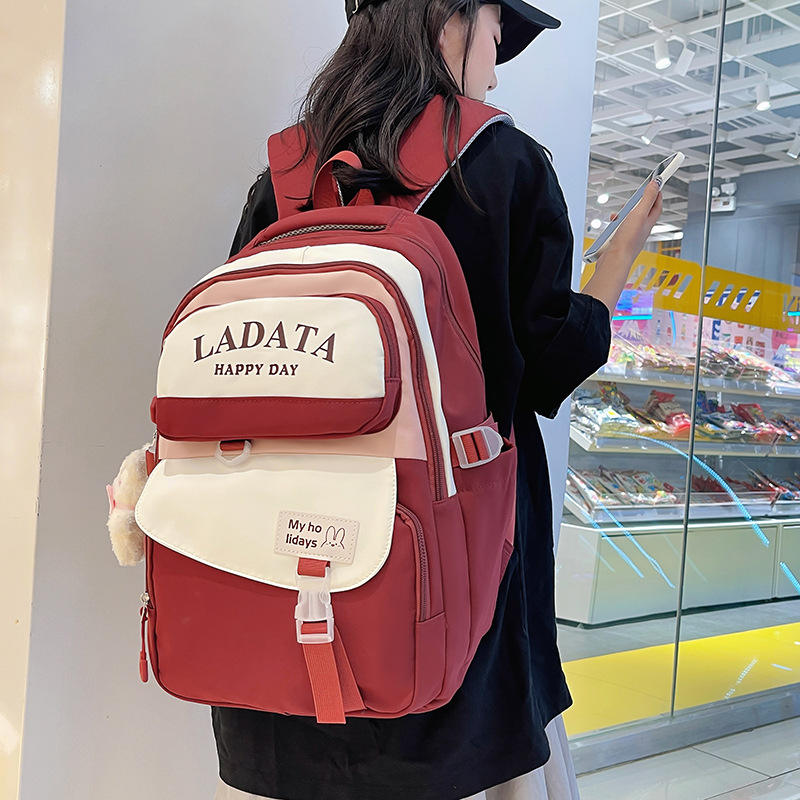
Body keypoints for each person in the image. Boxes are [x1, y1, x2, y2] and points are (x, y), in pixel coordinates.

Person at [213, 1, 662, 798]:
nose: (496, 65)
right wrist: (616, 263)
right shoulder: (505, 166)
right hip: (455, 590)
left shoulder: (284, 180)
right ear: (452, 16)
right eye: (496, 31)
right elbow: (549, 365)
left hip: (289, 578)